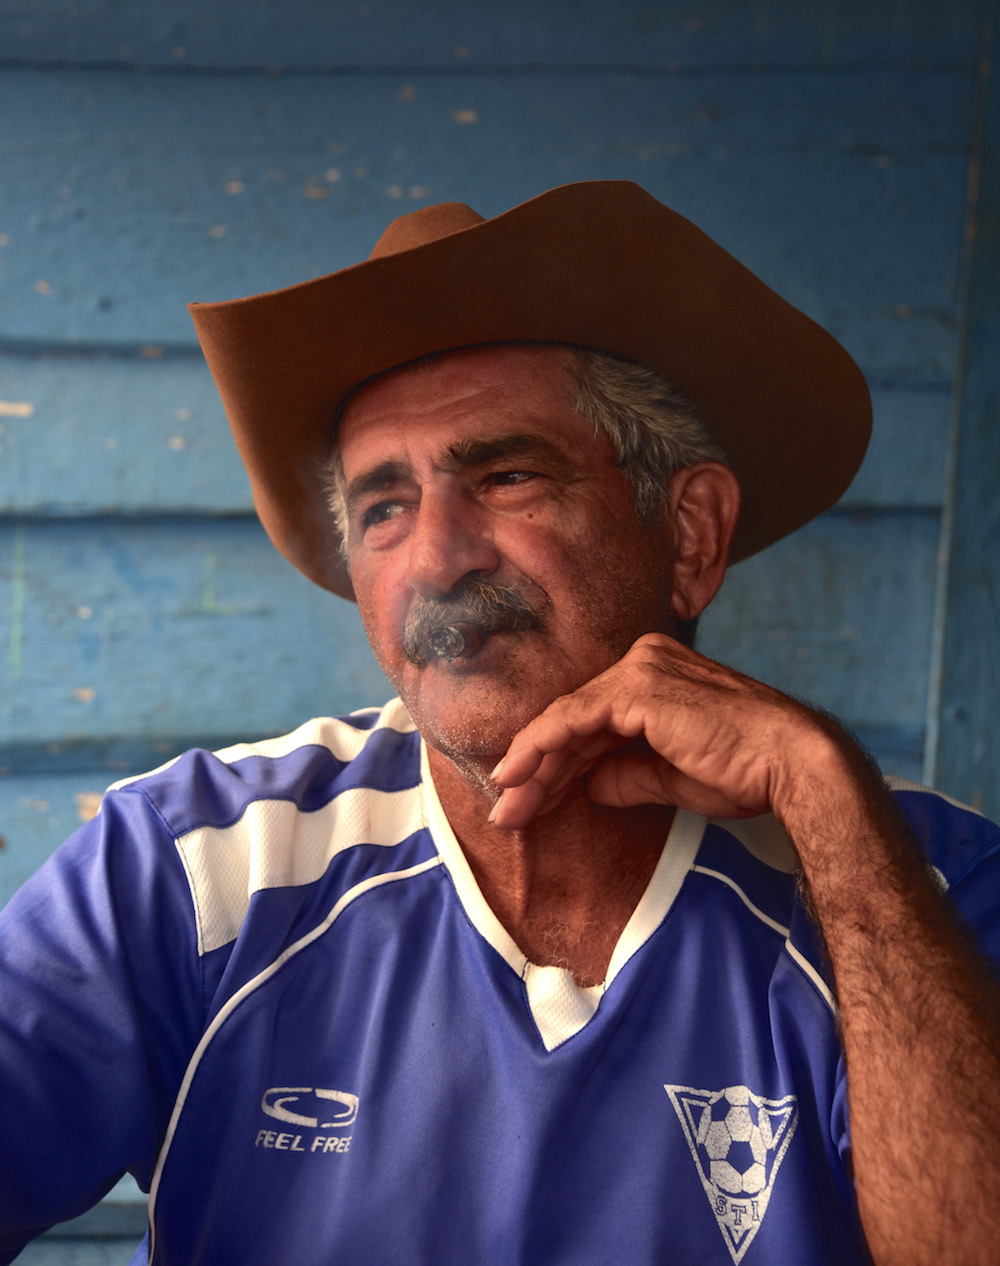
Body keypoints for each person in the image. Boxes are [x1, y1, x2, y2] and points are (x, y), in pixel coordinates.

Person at [1, 180, 998, 1266]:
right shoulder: (200, 873)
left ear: (690, 535)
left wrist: (818, 783)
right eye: (384, 507)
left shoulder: (922, 886)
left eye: (508, 474)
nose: (436, 558)